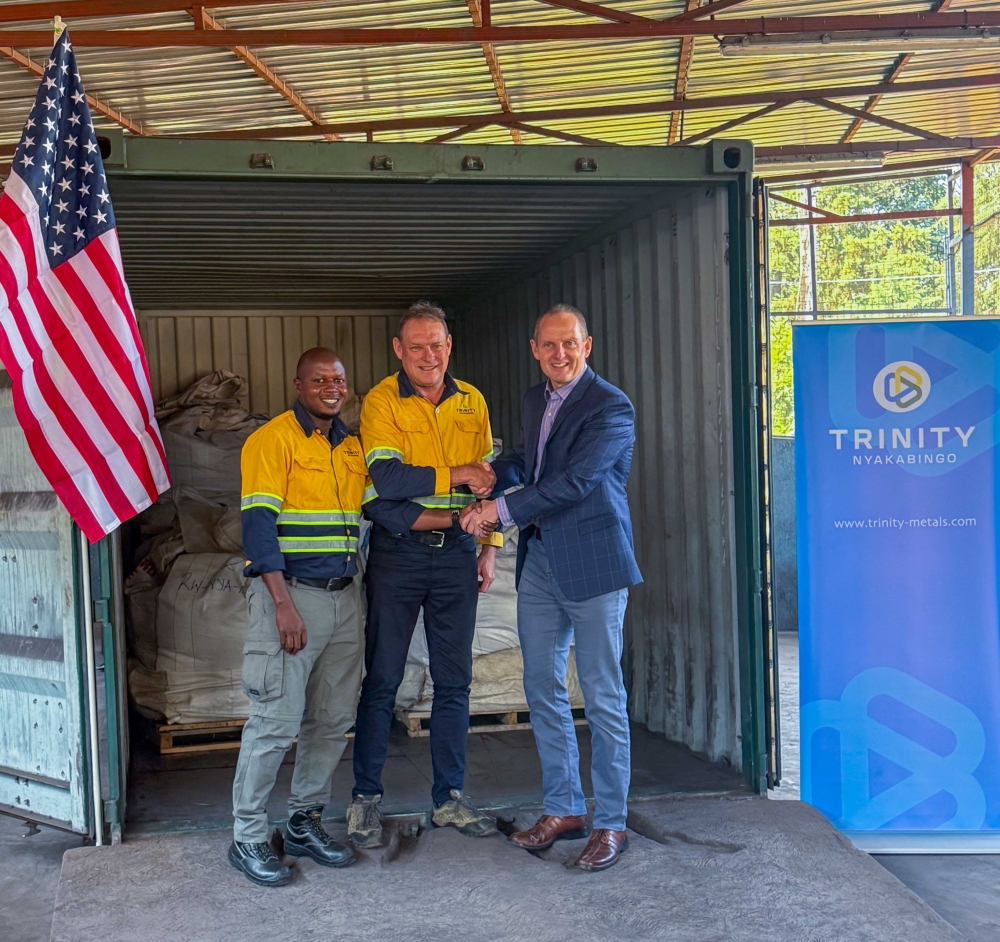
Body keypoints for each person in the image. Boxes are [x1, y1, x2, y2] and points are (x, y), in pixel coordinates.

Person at [462, 303, 642, 872]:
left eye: (570, 344)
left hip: (593, 565)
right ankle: (564, 807)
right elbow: (536, 462)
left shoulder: (611, 406)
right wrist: (499, 468)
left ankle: (611, 822)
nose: (559, 354)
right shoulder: (534, 399)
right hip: (540, 562)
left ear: (587, 347)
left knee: (601, 694)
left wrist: (498, 508)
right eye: (549, 345)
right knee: (541, 684)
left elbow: (578, 480)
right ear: (535, 349)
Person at [347, 301, 502, 848]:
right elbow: (387, 480)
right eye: (416, 346)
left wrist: (490, 546)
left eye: (436, 344)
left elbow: (490, 483)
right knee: (383, 679)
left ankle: (450, 799)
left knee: (454, 681)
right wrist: (454, 475)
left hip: (460, 554)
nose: (427, 355)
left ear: (449, 345)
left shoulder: (472, 401)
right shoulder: (382, 402)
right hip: (400, 556)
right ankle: (365, 799)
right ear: (398, 350)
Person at [229, 348, 368, 888]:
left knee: (331, 719)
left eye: (338, 379)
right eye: (319, 380)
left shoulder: (351, 447)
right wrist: (282, 604)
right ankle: (246, 835)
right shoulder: (272, 439)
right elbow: (258, 526)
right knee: (274, 724)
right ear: (298, 384)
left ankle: (304, 821)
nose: (331, 387)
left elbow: (379, 508)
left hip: (344, 598)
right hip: (291, 598)